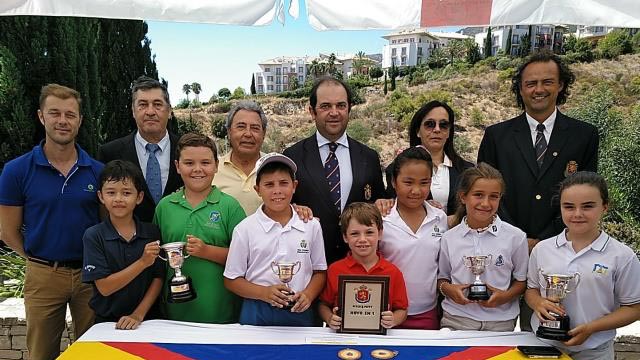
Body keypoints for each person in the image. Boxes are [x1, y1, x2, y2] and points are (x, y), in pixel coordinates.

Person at [0, 84, 103, 360]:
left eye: (70, 115)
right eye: (54, 113)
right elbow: (7, 230)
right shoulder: (16, 171)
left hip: (89, 277)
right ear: (41, 116)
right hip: (44, 275)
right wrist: (37, 260)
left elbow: (105, 227)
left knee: (92, 354)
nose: (62, 120)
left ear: (80, 121)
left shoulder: (97, 171)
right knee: (41, 354)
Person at [525, 172, 640, 360]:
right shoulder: (542, 249)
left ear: (605, 207)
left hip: (595, 351)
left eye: (588, 206)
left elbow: (635, 308)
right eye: (569, 207)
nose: (577, 214)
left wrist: (591, 328)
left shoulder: (622, 256)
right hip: (545, 348)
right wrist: (538, 303)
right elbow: (532, 290)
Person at [283, 76, 386, 264]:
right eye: (325, 106)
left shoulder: (369, 157)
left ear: (349, 109)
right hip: (308, 265)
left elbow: (380, 203)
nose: (334, 112)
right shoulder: (292, 156)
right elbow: (282, 206)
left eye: (340, 105)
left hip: (359, 266)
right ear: (312, 112)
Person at [224, 153, 327, 326]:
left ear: (294, 186)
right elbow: (231, 280)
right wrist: (263, 293)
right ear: (258, 190)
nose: (277, 191)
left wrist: (308, 295)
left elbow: (320, 272)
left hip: (299, 311)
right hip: (257, 311)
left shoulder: (311, 226)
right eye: (269, 184)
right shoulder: (245, 229)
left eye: (284, 183)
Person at [153, 133, 245, 323]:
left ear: (216, 165)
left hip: (221, 312)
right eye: (189, 163)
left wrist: (207, 251)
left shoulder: (229, 206)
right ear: (177, 166)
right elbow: (157, 260)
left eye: (205, 162)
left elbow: (247, 258)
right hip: (175, 314)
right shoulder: (164, 207)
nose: (197, 169)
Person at [437, 163, 528, 331]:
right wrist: (449, 290)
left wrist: (505, 296)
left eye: (494, 196)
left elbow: (521, 281)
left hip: (501, 323)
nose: (486, 203)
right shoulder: (449, 238)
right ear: (463, 197)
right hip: (457, 319)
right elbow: (442, 278)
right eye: (478, 195)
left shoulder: (516, 237)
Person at [82, 160, 164, 329]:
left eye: (126, 193)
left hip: (148, 320)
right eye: (111, 192)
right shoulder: (94, 235)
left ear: (139, 197)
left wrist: (138, 314)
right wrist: (142, 263)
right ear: (101, 196)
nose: (118, 199)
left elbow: (158, 278)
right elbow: (104, 287)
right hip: (106, 322)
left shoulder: (151, 232)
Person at [379, 147, 448, 330]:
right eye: (408, 182)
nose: (416, 191)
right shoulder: (381, 218)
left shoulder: (439, 218)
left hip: (427, 312)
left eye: (424, 183)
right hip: (386, 312)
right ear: (394, 181)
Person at [98, 75, 183, 222]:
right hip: (130, 243)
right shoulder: (110, 153)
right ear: (133, 111)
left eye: (157, 104)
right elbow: (104, 208)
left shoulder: (187, 150)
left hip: (181, 241)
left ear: (169, 111)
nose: (150, 112)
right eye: (142, 104)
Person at [319, 202, 408, 330]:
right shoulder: (335, 270)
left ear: (380, 233)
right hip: (343, 339)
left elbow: (402, 310)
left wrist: (394, 319)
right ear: (345, 237)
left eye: (369, 232)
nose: (362, 239)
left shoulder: (393, 272)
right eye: (355, 234)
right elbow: (323, 305)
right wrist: (329, 318)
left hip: (380, 341)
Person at [385, 101, 474, 216]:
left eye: (443, 125)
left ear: (448, 132)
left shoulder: (467, 170)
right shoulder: (395, 169)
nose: (437, 129)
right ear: (418, 131)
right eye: (430, 124)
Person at [213, 100, 267, 215]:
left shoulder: (276, 167)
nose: (248, 134)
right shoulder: (213, 171)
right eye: (241, 127)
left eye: (255, 128)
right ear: (229, 132)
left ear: (264, 134)